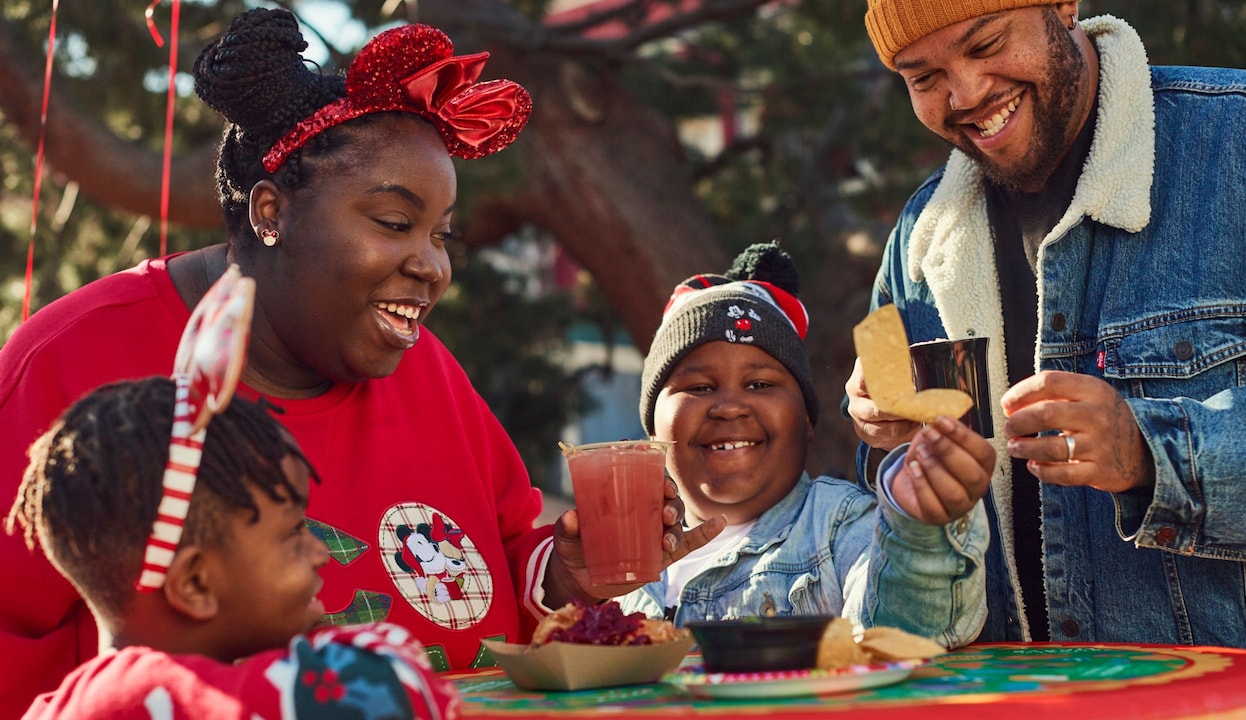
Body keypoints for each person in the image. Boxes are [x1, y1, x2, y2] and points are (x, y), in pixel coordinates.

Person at [0, 8, 716, 715]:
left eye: (442, 235)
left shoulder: (427, 369)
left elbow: (514, 574)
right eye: (396, 224)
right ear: (271, 213)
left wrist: (566, 574)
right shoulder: (72, 360)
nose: (433, 266)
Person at [849, 0, 1246, 652]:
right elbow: (894, 585)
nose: (963, 93)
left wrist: (1151, 453)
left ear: (1063, 6)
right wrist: (902, 477)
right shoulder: (916, 242)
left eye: (986, 43)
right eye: (923, 77)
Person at [8, 268, 458, 719]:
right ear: (196, 583)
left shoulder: (66, 703)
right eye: (292, 534)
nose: (319, 552)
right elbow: (404, 691)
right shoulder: (186, 698)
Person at [617, 243, 993, 648]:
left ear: (807, 420)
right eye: (699, 387)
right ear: (651, 434)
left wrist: (920, 530)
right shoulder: (619, 559)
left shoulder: (840, 528)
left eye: (760, 384)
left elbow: (904, 629)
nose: (729, 408)